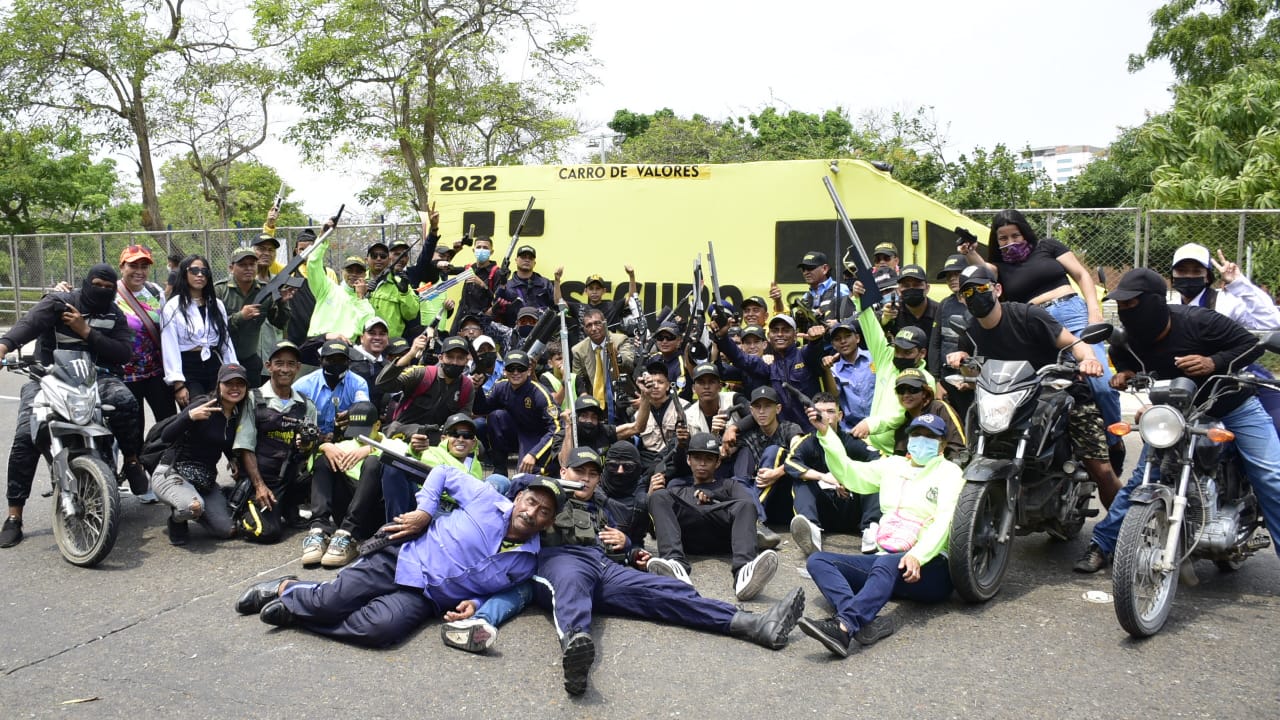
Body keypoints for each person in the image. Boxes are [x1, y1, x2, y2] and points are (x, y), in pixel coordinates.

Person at [467, 447, 806, 696]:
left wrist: (628, 545)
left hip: (603, 566)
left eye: (591, 473)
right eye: (577, 472)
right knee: (570, 586)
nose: (585, 478)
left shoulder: (602, 506)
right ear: (564, 471)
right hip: (558, 561)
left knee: (667, 592)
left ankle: (753, 624)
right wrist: (552, 483)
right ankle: (576, 649)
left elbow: (627, 545)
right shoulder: (542, 494)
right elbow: (503, 484)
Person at [1077, 268, 1280, 572]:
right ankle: (1102, 545)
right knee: (1144, 477)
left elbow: (1250, 346)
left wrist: (1214, 362)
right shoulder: (1127, 341)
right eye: (1122, 306)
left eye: (1133, 305)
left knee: (1270, 476)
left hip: (1232, 406)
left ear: (1156, 302)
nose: (1127, 313)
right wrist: (1127, 375)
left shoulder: (1200, 321)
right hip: (1177, 412)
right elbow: (1127, 363)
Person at [234, 467, 564, 648]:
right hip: (401, 559)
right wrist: (424, 511)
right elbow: (444, 472)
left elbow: (498, 592)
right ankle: (287, 589)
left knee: (379, 630)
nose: (532, 512)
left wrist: (476, 603)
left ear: (548, 522)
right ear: (520, 497)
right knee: (332, 601)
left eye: (543, 512)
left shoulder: (527, 561)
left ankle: (300, 611)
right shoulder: (485, 498)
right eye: (531, 501)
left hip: (425, 598)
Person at [945, 264, 1121, 513]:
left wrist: (1088, 360)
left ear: (997, 289)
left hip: (1058, 391)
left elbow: (1073, 343)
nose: (975, 296)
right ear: (961, 299)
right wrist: (962, 359)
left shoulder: (1027, 315)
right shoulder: (970, 330)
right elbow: (972, 372)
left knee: (1100, 468)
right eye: (968, 292)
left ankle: (1115, 535)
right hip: (1010, 401)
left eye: (981, 288)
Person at [960, 209, 1124, 474]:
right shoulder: (997, 267)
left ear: (1026, 232)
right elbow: (981, 275)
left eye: (1015, 234)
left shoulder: (1048, 247)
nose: (1010, 241)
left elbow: (1082, 275)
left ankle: (1113, 443)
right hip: (1036, 326)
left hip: (1072, 314)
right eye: (1002, 238)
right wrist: (968, 251)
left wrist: (1094, 312)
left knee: (1100, 384)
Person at [0, 265, 145, 548]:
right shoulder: (59, 303)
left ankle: (131, 460)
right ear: (85, 283)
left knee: (126, 401)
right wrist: (5, 345)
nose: (102, 290)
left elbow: (124, 353)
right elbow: (28, 325)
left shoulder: (114, 314)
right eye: (97, 284)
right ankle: (14, 515)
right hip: (47, 377)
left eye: (108, 286)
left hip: (97, 378)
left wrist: (86, 331)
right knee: (24, 435)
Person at [797, 410, 963, 657]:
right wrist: (826, 434)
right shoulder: (893, 466)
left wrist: (918, 554)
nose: (921, 440)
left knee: (885, 563)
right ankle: (863, 621)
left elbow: (946, 520)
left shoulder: (950, 473)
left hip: (931, 568)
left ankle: (844, 628)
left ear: (942, 445)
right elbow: (849, 473)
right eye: (917, 434)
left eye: (930, 437)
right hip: (886, 565)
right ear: (908, 440)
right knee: (818, 561)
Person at [647, 432, 780, 599]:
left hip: (722, 533)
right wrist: (650, 496)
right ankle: (674, 565)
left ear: (717, 462)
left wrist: (714, 499)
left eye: (708, 459)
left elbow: (749, 508)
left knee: (745, 506)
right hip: (688, 537)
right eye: (697, 458)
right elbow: (653, 530)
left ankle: (744, 571)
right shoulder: (678, 490)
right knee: (658, 496)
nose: (702, 463)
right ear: (689, 460)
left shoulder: (730, 485)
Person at [1170, 243, 1280, 434]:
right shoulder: (1167, 306)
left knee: (1276, 426)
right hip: (1184, 384)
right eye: (1182, 271)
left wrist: (1238, 283)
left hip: (1235, 379)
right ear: (1173, 275)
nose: (1188, 276)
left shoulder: (1225, 300)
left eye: (1196, 271)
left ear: (1207, 276)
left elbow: (1271, 322)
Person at [152, 363, 250, 545]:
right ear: (219, 384)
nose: (234, 388)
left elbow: (224, 441)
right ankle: (176, 519)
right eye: (229, 383)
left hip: (204, 480)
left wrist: (233, 460)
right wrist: (189, 417)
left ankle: (204, 504)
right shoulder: (203, 405)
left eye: (240, 384)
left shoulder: (237, 415)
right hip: (173, 473)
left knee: (227, 530)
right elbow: (166, 436)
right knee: (191, 508)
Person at [235, 341, 320, 544]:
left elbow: (311, 448)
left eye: (291, 364)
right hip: (262, 479)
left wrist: (306, 444)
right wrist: (259, 486)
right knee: (268, 533)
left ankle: (289, 506)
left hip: (290, 478)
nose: (285, 369)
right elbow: (245, 446)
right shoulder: (253, 399)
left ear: (298, 368)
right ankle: (239, 504)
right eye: (279, 363)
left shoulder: (306, 404)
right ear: (268, 366)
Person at [783, 392, 880, 556]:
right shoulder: (807, 441)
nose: (825, 416)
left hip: (852, 507)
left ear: (840, 416)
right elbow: (790, 463)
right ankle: (811, 530)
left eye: (830, 411)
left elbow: (879, 460)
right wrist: (824, 477)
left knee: (875, 481)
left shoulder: (852, 441)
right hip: (824, 509)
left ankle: (871, 530)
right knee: (801, 481)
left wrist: (850, 479)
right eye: (820, 412)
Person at [713, 313, 825, 427]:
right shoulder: (768, 367)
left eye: (786, 330)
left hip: (814, 430)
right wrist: (722, 336)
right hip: (785, 435)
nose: (780, 334)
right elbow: (741, 358)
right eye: (775, 331)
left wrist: (816, 341)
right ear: (769, 337)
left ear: (795, 335)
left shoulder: (804, 355)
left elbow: (815, 352)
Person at [114, 244, 175, 440]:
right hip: (126, 375)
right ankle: (135, 466)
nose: (139, 271)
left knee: (168, 423)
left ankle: (166, 464)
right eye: (133, 266)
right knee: (134, 429)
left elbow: (166, 326)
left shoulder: (154, 291)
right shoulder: (111, 293)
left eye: (144, 266)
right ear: (122, 266)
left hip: (156, 371)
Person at [161, 255, 238, 408]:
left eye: (204, 271)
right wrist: (179, 384)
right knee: (198, 411)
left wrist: (233, 371)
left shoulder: (217, 305)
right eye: (194, 271)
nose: (200, 275)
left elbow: (225, 341)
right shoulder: (173, 307)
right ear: (184, 273)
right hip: (188, 366)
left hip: (213, 363)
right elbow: (170, 347)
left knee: (221, 408)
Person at [475, 349, 561, 475]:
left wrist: (534, 454)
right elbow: (480, 409)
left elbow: (556, 428)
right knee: (495, 416)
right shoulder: (500, 386)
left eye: (520, 369)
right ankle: (499, 468)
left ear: (529, 370)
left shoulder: (540, 394)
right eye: (511, 368)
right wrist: (478, 388)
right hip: (514, 434)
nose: (515, 373)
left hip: (537, 437)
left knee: (525, 474)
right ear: (505, 371)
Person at [216, 247, 292, 383]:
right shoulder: (219, 291)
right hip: (222, 361)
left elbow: (280, 323)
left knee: (253, 401)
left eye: (252, 264)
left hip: (250, 361)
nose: (248, 268)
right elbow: (212, 328)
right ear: (231, 268)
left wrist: (281, 302)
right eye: (242, 265)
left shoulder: (265, 290)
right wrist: (240, 316)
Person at [376, 335, 476, 429]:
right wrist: (410, 354)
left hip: (440, 439)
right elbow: (383, 384)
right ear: (440, 358)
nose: (454, 362)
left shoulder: (466, 387)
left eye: (460, 358)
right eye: (450, 357)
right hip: (404, 433)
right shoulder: (421, 374)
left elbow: (462, 422)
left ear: (466, 361)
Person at [571, 306, 638, 424]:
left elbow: (629, 364)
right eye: (589, 325)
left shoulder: (620, 339)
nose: (594, 328)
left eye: (597, 323)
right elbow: (577, 380)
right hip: (595, 403)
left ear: (604, 323)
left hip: (624, 399)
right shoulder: (578, 350)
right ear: (584, 329)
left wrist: (616, 357)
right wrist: (585, 400)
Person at [294, 339, 370, 440]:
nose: (336, 363)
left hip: (344, 441)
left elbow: (365, 411)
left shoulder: (359, 383)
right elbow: (291, 418)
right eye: (331, 359)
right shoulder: (303, 385)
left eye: (341, 360)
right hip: (310, 440)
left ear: (349, 362)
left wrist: (353, 414)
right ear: (320, 360)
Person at [928, 254, 973, 419]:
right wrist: (936, 381)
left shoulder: (978, 301)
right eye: (949, 276)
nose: (953, 279)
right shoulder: (944, 305)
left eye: (957, 274)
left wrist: (972, 379)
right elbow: (934, 343)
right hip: (947, 380)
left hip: (972, 378)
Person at [890, 368, 967, 464]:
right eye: (901, 390)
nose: (906, 395)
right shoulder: (903, 420)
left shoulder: (939, 408)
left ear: (924, 392)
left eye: (912, 389)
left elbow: (958, 448)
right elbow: (899, 456)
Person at [822, 319, 873, 432]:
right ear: (833, 345)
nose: (843, 341)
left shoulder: (873, 358)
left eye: (847, 336)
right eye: (837, 339)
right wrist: (827, 370)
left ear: (857, 338)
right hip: (852, 429)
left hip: (879, 423)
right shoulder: (834, 370)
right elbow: (834, 395)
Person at [363, 241, 419, 339]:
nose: (379, 259)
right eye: (374, 255)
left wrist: (405, 293)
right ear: (366, 259)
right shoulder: (359, 282)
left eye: (383, 256)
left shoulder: (399, 283)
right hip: (363, 342)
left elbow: (411, 315)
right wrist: (361, 295)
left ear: (389, 260)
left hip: (391, 344)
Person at [494, 244, 555, 325]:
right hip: (515, 331)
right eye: (523, 257)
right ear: (516, 260)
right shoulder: (507, 285)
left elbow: (556, 305)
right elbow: (495, 306)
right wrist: (502, 284)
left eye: (530, 258)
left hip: (541, 330)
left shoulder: (545, 283)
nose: (527, 260)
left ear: (534, 263)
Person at [881, 264, 938, 349]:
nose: (911, 288)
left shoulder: (939, 311)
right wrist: (884, 319)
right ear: (898, 290)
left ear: (927, 288)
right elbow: (872, 326)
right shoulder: (892, 311)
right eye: (906, 286)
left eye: (917, 285)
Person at [796, 251, 853, 325]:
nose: (806, 272)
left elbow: (853, 316)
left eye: (810, 268)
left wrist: (838, 322)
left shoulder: (840, 289)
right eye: (803, 269)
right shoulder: (805, 297)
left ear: (825, 269)